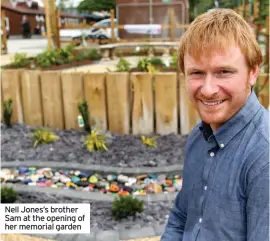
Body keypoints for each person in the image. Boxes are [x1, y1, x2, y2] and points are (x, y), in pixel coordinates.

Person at [161, 8, 269, 241]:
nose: (208, 89)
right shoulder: (198, 138)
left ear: (253, 71)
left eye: (223, 72)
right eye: (197, 73)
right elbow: (181, 217)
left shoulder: (264, 157)